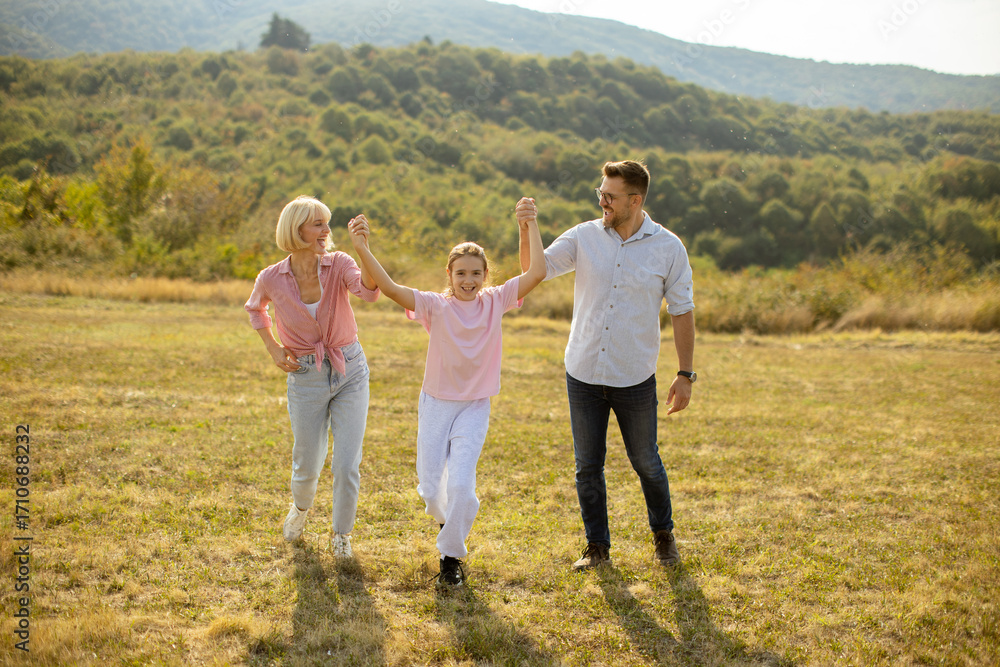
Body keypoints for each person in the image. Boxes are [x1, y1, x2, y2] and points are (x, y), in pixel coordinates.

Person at [347, 198, 546, 586]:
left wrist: (530, 224)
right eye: (461, 273)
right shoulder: (434, 306)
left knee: (461, 488)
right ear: (450, 275)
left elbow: (536, 271)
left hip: (474, 406)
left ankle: (450, 559)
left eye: (476, 273)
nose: (468, 280)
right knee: (431, 489)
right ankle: (446, 522)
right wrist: (361, 248)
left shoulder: (495, 300)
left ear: (486, 275)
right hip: (437, 405)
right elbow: (389, 288)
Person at [518, 160, 695, 570]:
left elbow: (682, 311)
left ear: (635, 201)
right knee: (587, 467)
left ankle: (663, 535)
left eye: (610, 196)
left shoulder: (669, 248)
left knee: (646, 462)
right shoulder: (583, 236)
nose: (602, 202)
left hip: (634, 377)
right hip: (582, 372)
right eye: (601, 193)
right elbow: (534, 270)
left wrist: (685, 373)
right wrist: (527, 226)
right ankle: (596, 547)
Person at [244, 195, 380, 558]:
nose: (326, 230)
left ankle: (341, 534)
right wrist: (273, 348)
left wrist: (363, 249)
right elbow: (256, 310)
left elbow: (368, 292)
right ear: (296, 229)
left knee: (347, 464)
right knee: (307, 461)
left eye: (327, 223)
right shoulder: (271, 277)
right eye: (318, 224)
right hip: (305, 374)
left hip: (350, 368)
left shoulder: (340, 263)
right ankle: (301, 508)